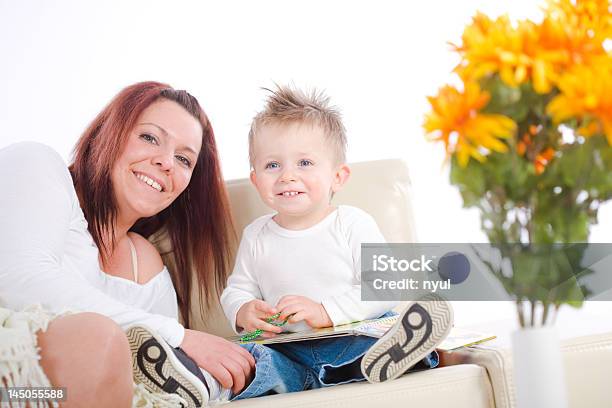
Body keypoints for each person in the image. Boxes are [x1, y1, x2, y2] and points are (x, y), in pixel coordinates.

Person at [0, 82, 254, 408]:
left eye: (183, 160)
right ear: (109, 133)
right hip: (16, 392)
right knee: (98, 340)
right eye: (149, 137)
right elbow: (17, 277)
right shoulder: (36, 164)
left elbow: (174, 365)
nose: (166, 162)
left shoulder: (146, 266)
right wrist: (179, 336)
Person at [217, 85, 454, 399]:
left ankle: (398, 353)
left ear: (338, 177)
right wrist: (243, 311)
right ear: (256, 179)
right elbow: (237, 288)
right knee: (256, 359)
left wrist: (326, 311)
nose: (287, 175)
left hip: (352, 336)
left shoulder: (351, 223)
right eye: (273, 165)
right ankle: (215, 381)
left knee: (378, 334)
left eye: (304, 163)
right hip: (290, 349)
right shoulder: (256, 235)